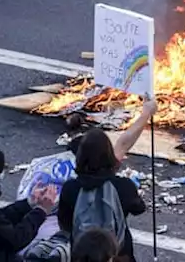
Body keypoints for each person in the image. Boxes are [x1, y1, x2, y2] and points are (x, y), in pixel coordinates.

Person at [57, 101, 156, 260]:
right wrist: (146, 114)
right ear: (110, 155)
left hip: (83, 256)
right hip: (120, 255)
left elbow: (65, 222)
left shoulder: (70, 188)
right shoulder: (123, 186)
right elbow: (139, 209)